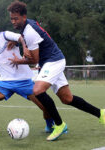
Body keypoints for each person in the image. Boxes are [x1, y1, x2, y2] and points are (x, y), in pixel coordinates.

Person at [7, 1, 105, 141]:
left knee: (38, 90)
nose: (13, 21)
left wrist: (18, 61)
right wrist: (18, 41)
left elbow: (34, 60)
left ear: (24, 16)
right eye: (11, 18)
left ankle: (59, 125)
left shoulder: (29, 31)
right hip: (51, 61)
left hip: (53, 61)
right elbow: (29, 41)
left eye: (16, 18)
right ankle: (101, 114)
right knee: (67, 99)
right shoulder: (27, 26)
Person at [0, 19, 63, 137]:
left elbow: (21, 37)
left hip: (25, 80)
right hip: (5, 82)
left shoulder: (5, 35)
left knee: (46, 106)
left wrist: (23, 46)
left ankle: (50, 125)